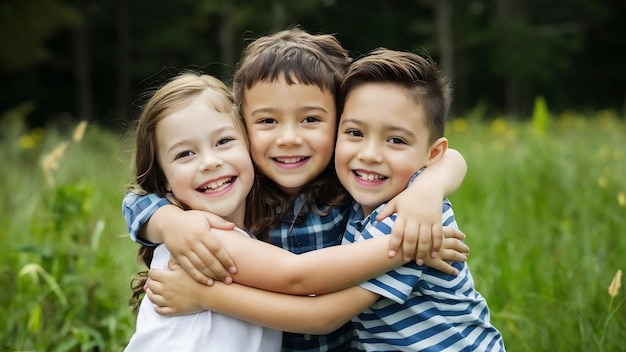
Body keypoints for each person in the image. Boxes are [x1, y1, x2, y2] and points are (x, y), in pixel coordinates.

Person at [123, 28, 469, 351]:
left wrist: (429, 187)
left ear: (339, 120)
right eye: (268, 121)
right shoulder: (240, 188)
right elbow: (139, 199)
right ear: (243, 127)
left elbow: (447, 157)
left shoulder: (357, 186)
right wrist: (170, 222)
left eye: (310, 120)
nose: (288, 139)